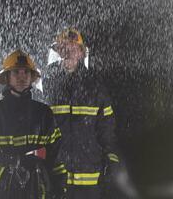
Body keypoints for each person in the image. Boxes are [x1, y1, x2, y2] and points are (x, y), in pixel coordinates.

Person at [0, 49, 63, 199]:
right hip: (1, 189)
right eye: (16, 72)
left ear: (32, 78)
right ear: (7, 77)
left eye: (26, 72)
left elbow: (55, 156)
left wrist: (60, 186)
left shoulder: (44, 113)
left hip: (36, 189)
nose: (21, 77)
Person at [42, 28, 120, 198]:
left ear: (82, 52)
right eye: (63, 48)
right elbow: (44, 129)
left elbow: (107, 131)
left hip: (90, 179)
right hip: (57, 177)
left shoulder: (96, 87)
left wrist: (111, 162)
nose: (67, 51)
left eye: (72, 47)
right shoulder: (50, 85)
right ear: (59, 52)